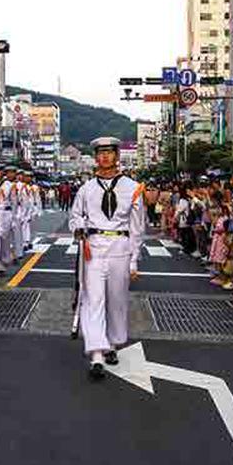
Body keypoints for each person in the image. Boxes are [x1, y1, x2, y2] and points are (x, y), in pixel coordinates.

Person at [69, 136, 145, 380]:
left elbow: (137, 227)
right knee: (93, 299)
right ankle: (97, 354)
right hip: (94, 247)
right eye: (100, 152)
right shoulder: (86, 189)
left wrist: (134, 259)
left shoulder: (132, 188)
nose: (104, 157)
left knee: (117, 299)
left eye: (109, 152)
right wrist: (80, 228)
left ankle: (112, 343)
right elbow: (74, 216)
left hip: (120, 248)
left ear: (117, 156)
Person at [0, 165, 17, 269]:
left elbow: (14, 202)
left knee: (4, 239)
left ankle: (4, 259)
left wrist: (13, 218)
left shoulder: (9, 185)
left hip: (6, 213)